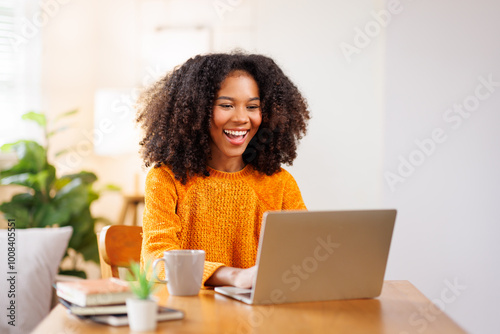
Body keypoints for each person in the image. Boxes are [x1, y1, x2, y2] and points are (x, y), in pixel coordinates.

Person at [136, 52, 310, 288]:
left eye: (252, 106)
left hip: (255, 316)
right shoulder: (166, 179)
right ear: (196, 111)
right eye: (226, 105)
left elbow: (305, 254)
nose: (241, 118)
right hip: (189, 315)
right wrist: (234, 276)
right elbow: (157, 264)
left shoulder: (280, 183)